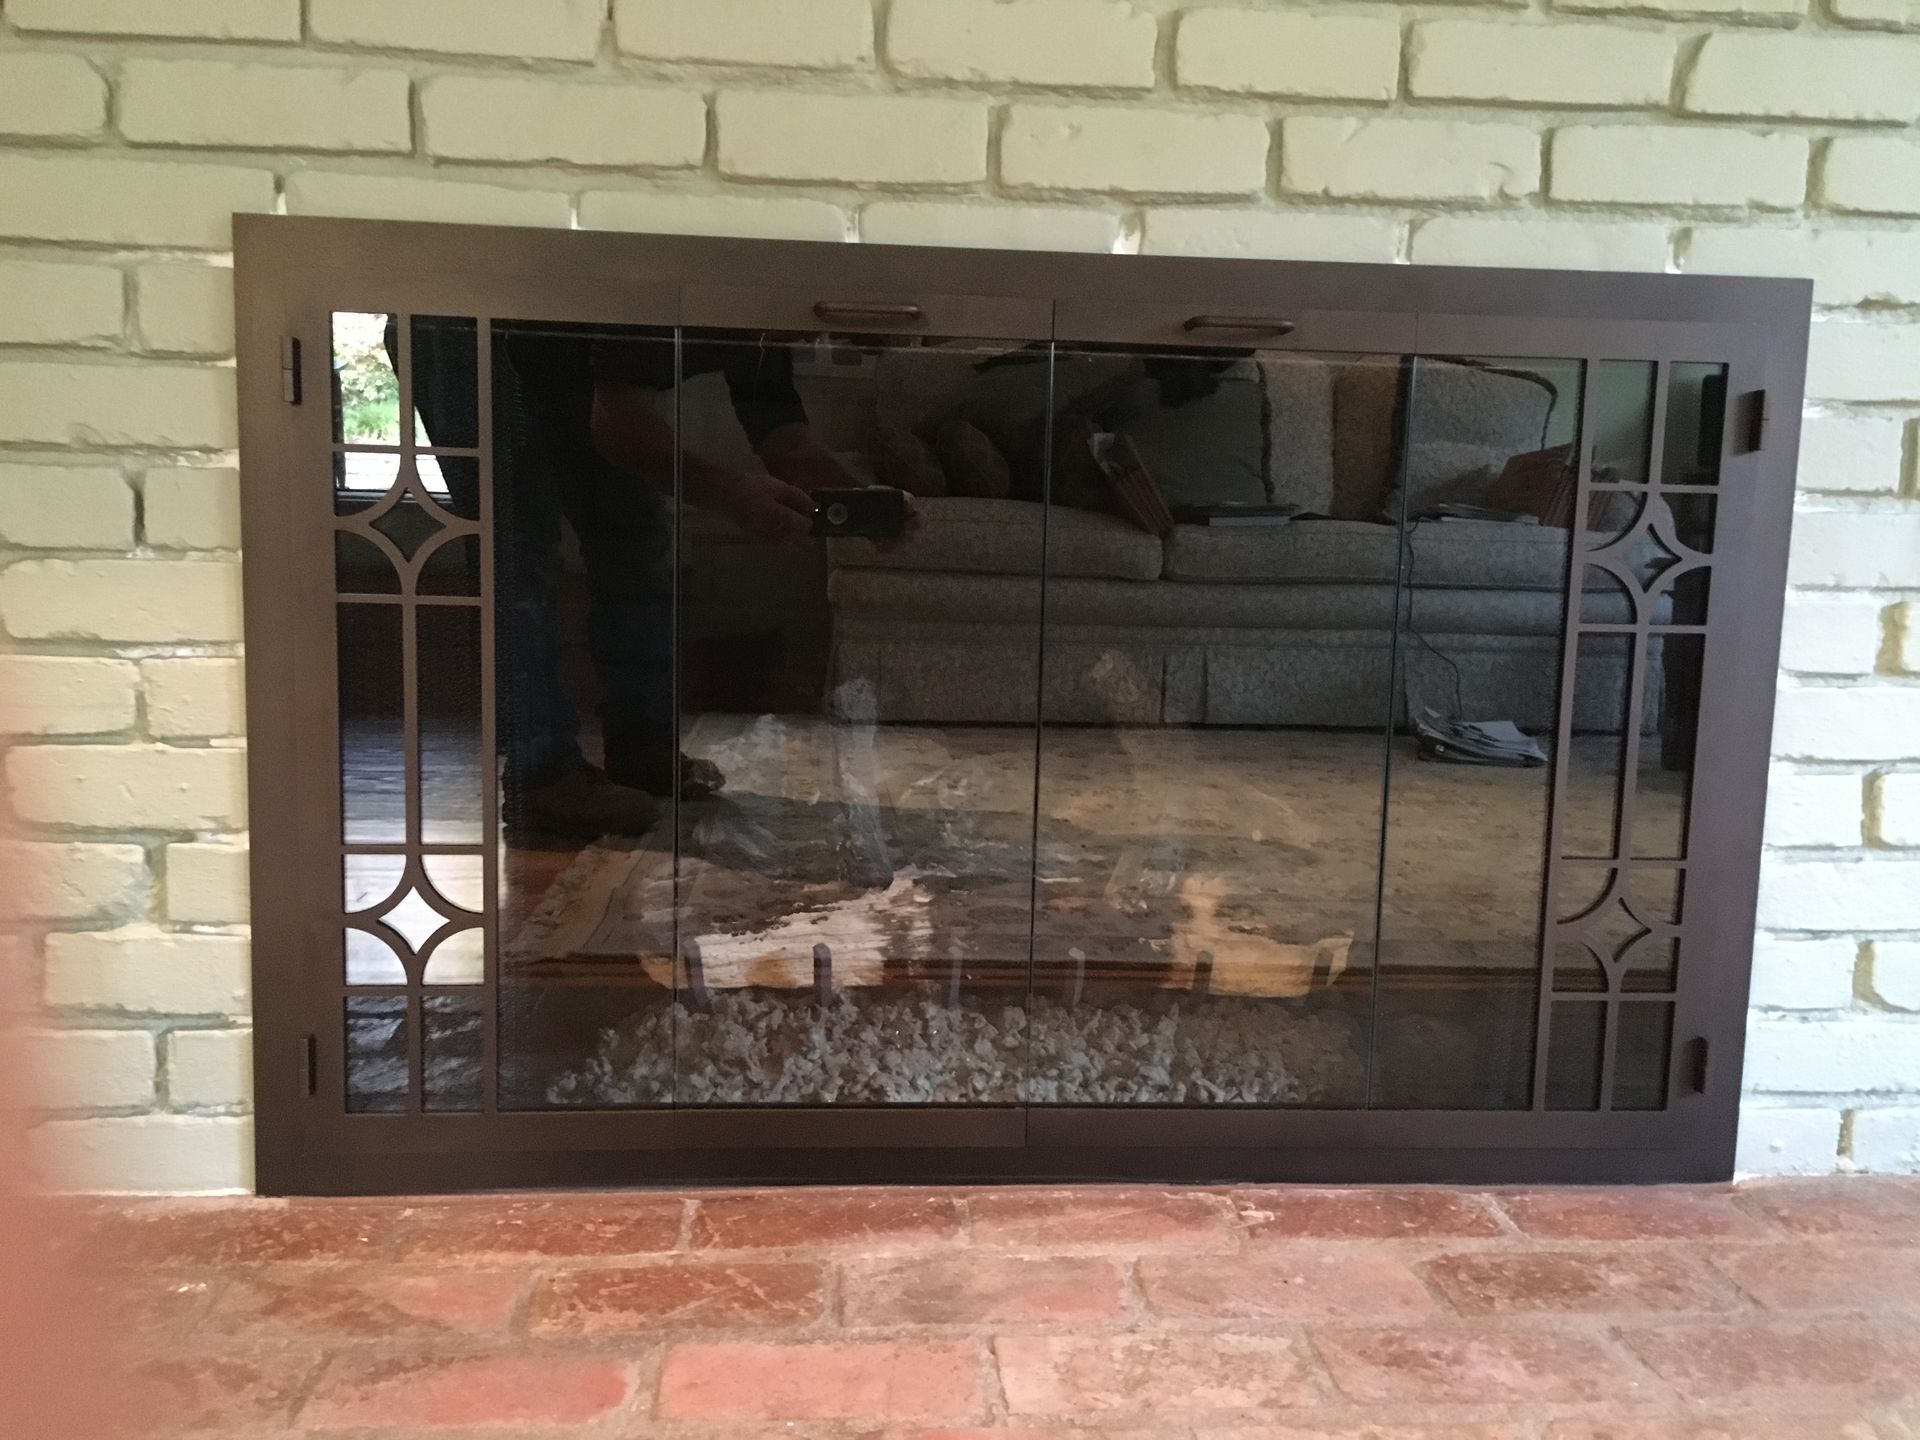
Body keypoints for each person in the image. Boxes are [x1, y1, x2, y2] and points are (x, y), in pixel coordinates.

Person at [408, 320, 872, 839]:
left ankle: (642, 750)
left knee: (634, 533)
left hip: (566, 347)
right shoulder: (722, 296)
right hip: (467, 330)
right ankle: (542, 779)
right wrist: (737, 497)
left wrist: (873, 507)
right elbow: (621, 428)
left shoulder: (767, 324)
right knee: (518, 551)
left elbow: (785, 442)